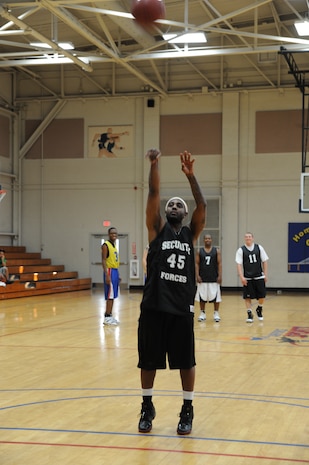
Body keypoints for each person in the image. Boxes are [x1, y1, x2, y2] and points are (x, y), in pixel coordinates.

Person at [137, 149, 206, 436]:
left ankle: (187, 409)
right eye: (171, 204)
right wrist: (155, 165)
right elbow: (154, 192)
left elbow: (202, 204)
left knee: (185, 361)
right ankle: (147, 406)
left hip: (181, 308)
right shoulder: (156, 231)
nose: (175, 206)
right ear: (165, 212)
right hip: (154, 305)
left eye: (180, 205)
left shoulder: (191, 234)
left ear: (186, 213)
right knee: (148, 361)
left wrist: (191, 177)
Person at [235, 232, 269, 323]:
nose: (248, 238)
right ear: (244, 239)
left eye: (249, 237)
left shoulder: (259, 248)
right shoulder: (241, 250)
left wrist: (265, 274)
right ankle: (249, 314)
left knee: (262, 296)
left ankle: (259, 308)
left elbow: (265, 261)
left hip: (259, 276)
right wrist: (242, 277)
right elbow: (238, 264)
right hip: (248, 277)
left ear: (253, 238)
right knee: (247, 297)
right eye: (246, 237)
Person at [195, 234, 222, 323]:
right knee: (202, 297)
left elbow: (219, 263)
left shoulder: (216, 251)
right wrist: (197, 275)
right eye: (206, 238)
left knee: (216, 297)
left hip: (213, 277)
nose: (207, 240)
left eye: (209, 238)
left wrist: (220, 275)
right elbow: (197, 264)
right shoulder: (200, 251)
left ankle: (216, 313)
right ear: (204, 240)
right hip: (203, 278)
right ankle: (202, 313)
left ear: (211, 240)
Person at [101, 227, 121, 325]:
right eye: (112, 233)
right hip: (109, 271)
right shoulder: (106, 245)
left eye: (115, 234)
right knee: (109, 295)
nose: (114, 235)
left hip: (115, 271)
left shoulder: (114, 245)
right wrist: (107, 275)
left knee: (113, 295)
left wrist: (118, 274)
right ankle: (107, 316)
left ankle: (110, 315)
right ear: (109, 234)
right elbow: (104, 260)